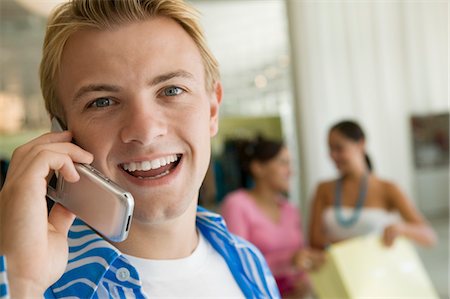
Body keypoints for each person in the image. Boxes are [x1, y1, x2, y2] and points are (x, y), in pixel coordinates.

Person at [0, 0, 280, 298]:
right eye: (102, 101)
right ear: (61, 134)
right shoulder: (34, 281)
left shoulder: (249, 261)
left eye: (171, 90)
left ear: (212, 111)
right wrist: (21, 282)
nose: (145, 131)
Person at [309, 120, 437, 250]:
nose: (333, 155)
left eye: (339, 148)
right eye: (330, 149)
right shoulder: (323, 189)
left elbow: (429, 236)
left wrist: (402, 228)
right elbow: (314, 240)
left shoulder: (388, 188)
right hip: (338, 267)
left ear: (361, 144)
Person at [221, 137, 324, 298]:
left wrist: (305, 283)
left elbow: (300, 260)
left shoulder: (290, 209)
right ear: (258, 168)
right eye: (283, 163)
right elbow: (238, 263)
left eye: (290, 164)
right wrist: (288, 261)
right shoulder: (236, 205)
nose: (290, 171)